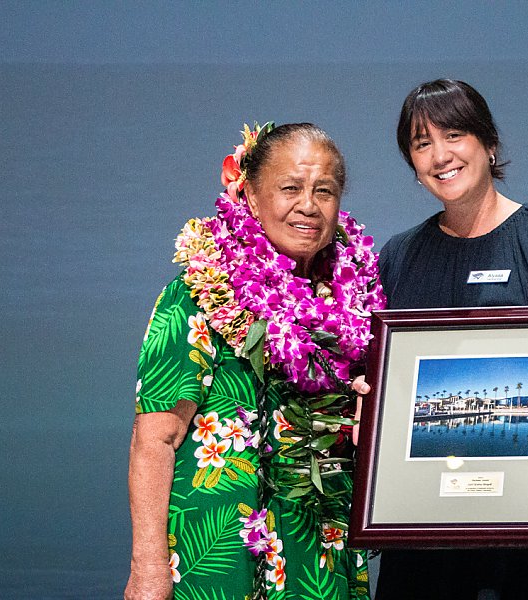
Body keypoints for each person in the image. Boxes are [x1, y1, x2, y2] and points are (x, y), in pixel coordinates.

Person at [372, 80, 528, 599]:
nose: (441, 155)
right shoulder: (397, 257)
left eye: (454, 134)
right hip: (425, 534)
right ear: (412, 164)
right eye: (422, 144)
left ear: (489, 143)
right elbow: (388, 387)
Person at [125, 122, 384, 599]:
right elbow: (155, 441)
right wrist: (147, 567)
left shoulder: (356, 308)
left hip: (316, 549)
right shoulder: (195, 297)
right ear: (250, 195)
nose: (308, 205)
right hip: (219, 552)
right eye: (290, 188)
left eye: (324, 191)